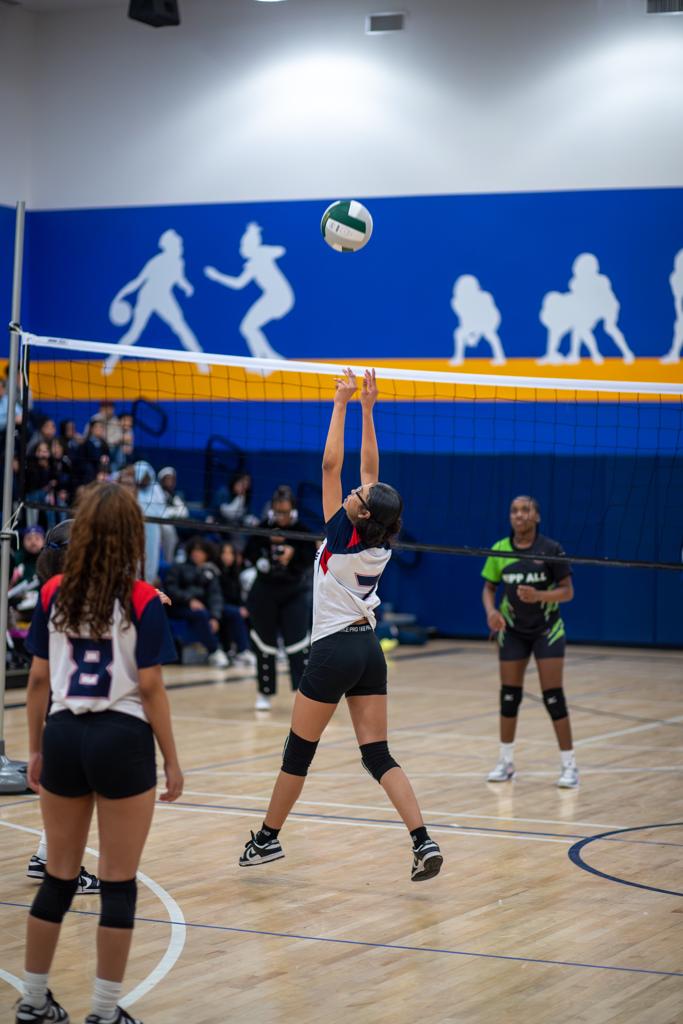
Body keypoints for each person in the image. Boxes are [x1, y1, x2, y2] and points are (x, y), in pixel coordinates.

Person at [238, 369, 443, 882]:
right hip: (368, 651)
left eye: (358, 496)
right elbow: (369, 473)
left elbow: (331, 464)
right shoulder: (379, 539)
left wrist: (341, 403)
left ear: (361, 515)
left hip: (332, 651)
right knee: (377, 754)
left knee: (297, 754)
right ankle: (422, 840)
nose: (352, 491)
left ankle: (267, 838)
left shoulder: (340, 535)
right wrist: (370, 410)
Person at [16, 481, 183, 1024]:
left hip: (64, 734)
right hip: (121, 738)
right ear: (132, 535)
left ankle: (33, 1002)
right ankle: (105, 1012)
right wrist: (171, 760)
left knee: (59, 878)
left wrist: (35, 749)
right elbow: (151, 688)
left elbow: (37, 681)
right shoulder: (143, 598)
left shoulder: (53, 591)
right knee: (117, 884)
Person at [24, 520, 101, 896]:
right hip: (71, 707)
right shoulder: (69, 598)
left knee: (74, 789)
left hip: (64, 707)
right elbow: (37, 678)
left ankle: (46, 857)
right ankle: (62, 869)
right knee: (78, 793)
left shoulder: (54, 593)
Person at [481, 495, 578, 788]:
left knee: (553, 697)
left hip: (547, 630)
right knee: (509, 696)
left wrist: (539, 596)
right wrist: (492, 612)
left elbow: (567, 592)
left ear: (536, 516)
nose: (519, 515)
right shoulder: (500, 549)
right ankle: (505, 762)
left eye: (525, 510)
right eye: (514, 510)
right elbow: (488, 588)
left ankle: (569, 766)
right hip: (512, 631)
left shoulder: (551, 549)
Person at [243, 485, 316, 710]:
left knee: (298, 644)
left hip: (294, 591)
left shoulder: (303, 530)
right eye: (277, 512)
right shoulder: (263, 528)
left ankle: (302, 693)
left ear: (292, 510)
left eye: (285, 512)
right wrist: (264, 552)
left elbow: (310, 559)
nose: (281, 516)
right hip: (265, 591)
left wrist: (293, 555)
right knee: (265, 644)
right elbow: (248, 552)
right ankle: (264, 692)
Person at [163, 536, 230, 668]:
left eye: (200, 551)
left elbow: (215, 596)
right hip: (177, 606)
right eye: (194, 550)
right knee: (201, 614)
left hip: (201, 609)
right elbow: (170, 589)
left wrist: (215, 617)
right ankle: (214, 651)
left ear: (207, 554)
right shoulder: (178, 568)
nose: (196, 553)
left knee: (232, 613)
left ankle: (238, 651)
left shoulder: (211, 571)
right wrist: (189, 600)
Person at [217, 541, 255, 668]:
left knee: (250, 612)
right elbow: (215, 597)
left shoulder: (235, 572)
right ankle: (242, 650)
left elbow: (239, 597)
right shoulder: (214, 571)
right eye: (224, 553)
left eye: (230, 553)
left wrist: (245, 607)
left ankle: (254, 649)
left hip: (231, 607)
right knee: (236, 613)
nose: (227, 556)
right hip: (218, 606)